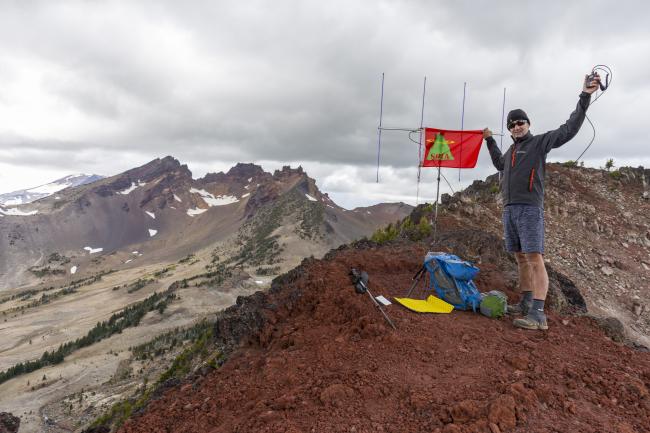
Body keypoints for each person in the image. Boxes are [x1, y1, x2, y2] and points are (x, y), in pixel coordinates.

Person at [482, 73, 601, 330]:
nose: (516, 127)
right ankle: (525, 303)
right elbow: (499, 164)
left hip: (529, 209)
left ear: (528, 123)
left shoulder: (539, 143)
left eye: (520, 122)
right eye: (512, 124)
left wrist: (585, 95)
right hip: (510, 210)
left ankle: (538, 314)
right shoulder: (511, 151)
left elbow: (569, 129)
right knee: (520, 259)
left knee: (534, 258)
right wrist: (490, 140)